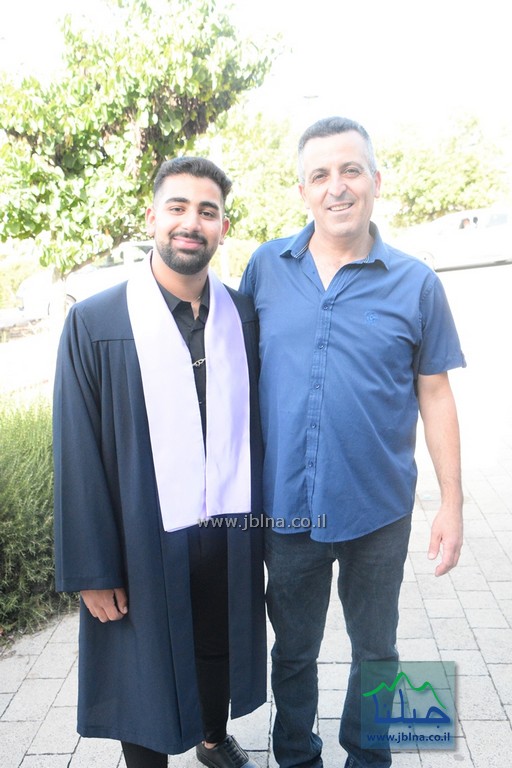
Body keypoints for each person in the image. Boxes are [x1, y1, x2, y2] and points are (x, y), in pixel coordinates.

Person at [239, 116, 466, 768]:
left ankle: (370, 758)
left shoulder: (417, 282)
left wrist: (451, 504)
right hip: (287, 509)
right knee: (293, 651)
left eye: (350, 170)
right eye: (320, 175)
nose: (336, 187)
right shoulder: (265, 268)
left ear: (376, 180)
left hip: (378, 510)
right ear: (302, 191)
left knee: (378, 650)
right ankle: (295, 756)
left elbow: (436, 393)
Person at [53, 157, 266, 768]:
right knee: (142, 663)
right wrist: (91, 567)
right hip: (140, 534)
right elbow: (76, 449)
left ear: (223, 226)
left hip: (226, 530)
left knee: (216, 643)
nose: (191, 223)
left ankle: (212, 738)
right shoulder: (96, 322)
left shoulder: (241, 315)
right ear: (152, 217)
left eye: (207, 211)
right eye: (177, 207)